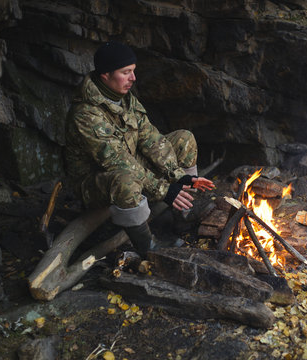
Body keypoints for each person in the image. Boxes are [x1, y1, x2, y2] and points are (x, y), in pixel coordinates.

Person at [64, 40, 214, 257]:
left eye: (133, 71)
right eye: (126, 72)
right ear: (105, 75)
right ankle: (148, 247)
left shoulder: (124, 98)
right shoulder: (86, 114)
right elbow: (117, 161)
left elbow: (150, 139)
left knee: (184, 139)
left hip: (129, 166)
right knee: (126, 180)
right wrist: (163, 190)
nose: (133, 78)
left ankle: (184, 215)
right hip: (96, 182)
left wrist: (179, 176)